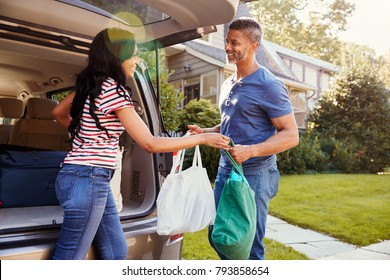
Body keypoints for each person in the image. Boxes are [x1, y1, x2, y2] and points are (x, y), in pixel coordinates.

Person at [51, 27, 230, 260]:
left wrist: (86, 136)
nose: (137, 60)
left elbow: (57, 112)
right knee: (68, 259)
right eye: (133, 54)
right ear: (117, 56)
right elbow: (150, 143)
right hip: (89, 178)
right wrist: (204, 138)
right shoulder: (114, 91)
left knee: (116, 251)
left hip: (78, 176)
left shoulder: (89, 87)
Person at [188, 17, 299, 260]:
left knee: (247, 245)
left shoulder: (269, 85)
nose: (227, 47)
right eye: (227, 42)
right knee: (221, 236)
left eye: (234, 43)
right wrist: (205, 131)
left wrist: (250, 151)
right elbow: (233, 123)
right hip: (225, 170)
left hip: (254, 175)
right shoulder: (229, 82)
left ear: (254, 45)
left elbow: (291, 135)